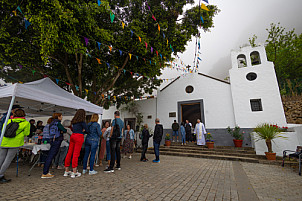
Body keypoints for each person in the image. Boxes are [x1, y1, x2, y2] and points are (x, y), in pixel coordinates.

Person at [0, 108, 30, 183]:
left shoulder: (8, 120)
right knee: (8, 160)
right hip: (15, 143)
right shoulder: (26, 123)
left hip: (4, 142)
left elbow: (3, 129)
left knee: (1, 158)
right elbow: (27, 133)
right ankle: (0, 175)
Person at [41, 113, 67, 179]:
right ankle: (45, 172)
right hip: (57, 140)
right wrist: (62, 131)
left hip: (52, 140)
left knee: (50, 155)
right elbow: (64, 130)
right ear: (58, 117)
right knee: (51, 155)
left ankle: (46, 171)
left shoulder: (52, 123)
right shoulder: (57, 123)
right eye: (61, 116)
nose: (62, 117)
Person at [64, 109, 88, 178]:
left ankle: (67, 170)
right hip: (79, 136)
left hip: (73, 135)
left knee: (69, 153)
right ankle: (74, 171)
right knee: (76, 154)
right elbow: (87, 130)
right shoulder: (82, 121)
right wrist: (83, 131)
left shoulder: (74, 121)